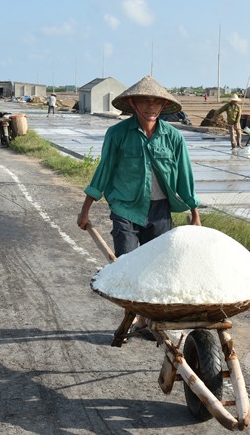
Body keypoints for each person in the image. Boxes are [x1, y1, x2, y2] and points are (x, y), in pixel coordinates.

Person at [77, 75, 201, 330]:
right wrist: (85, 208)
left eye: (156, 102)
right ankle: (135, 313)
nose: (151, 107)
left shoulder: (173, 138)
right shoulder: (117, 134)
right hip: (126, 208)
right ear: (133, 103)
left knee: (158, 266)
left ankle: (149, 317)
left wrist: (195, 213)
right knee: (128, 262)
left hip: (160, 210)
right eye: (145, 101)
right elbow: (104, 170)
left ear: (163, 106)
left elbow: (185, 177)